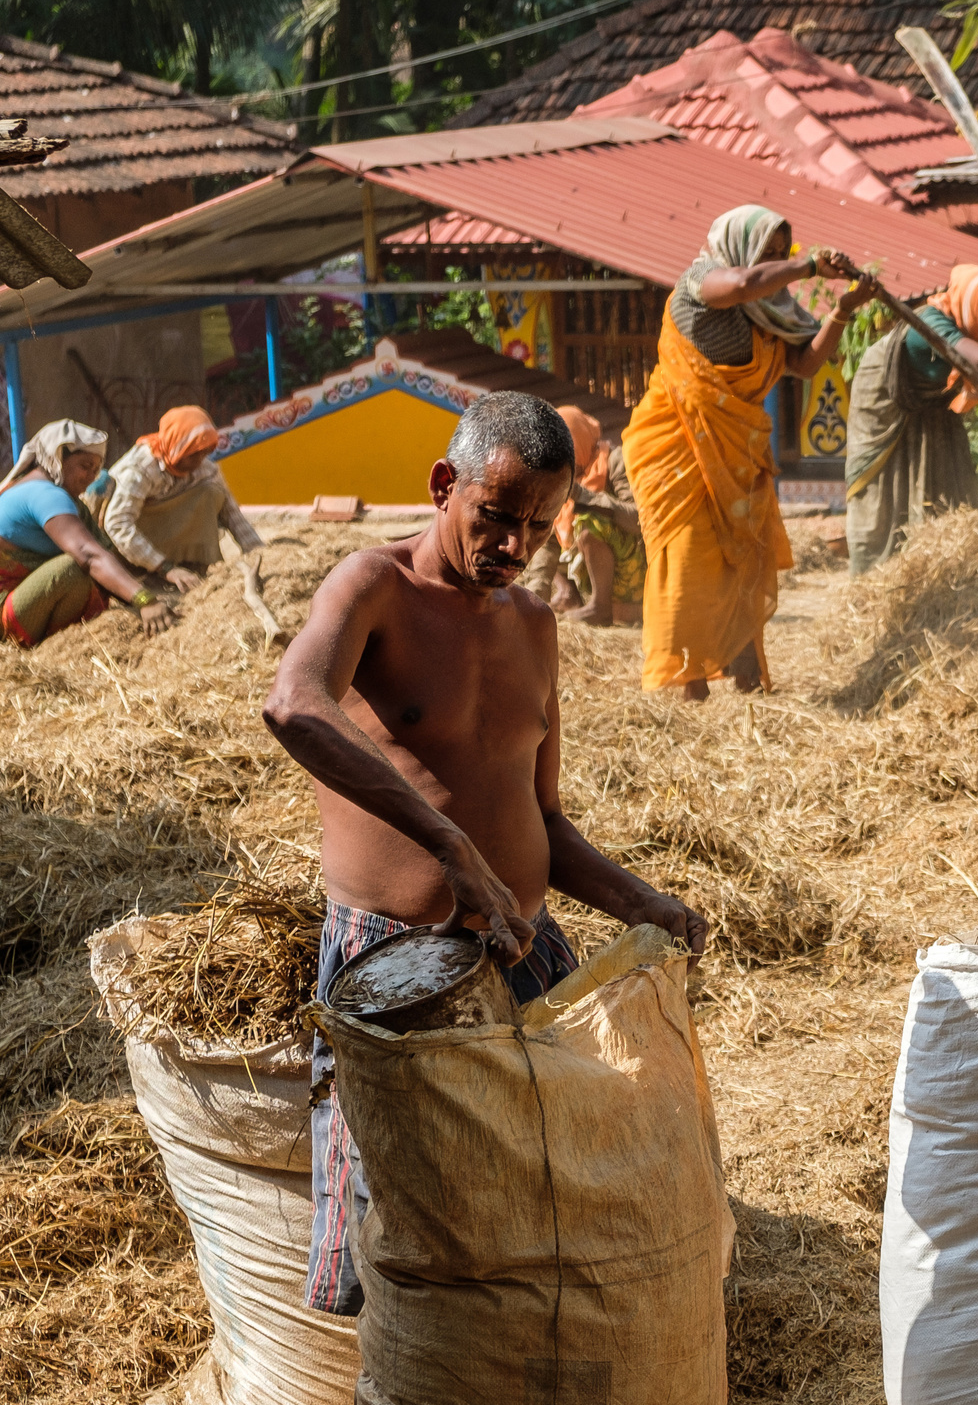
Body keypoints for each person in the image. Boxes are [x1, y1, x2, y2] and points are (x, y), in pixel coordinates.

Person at [259, 390, 710, 1315]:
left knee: (572, 1174)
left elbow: (545, 818)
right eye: (494, 517)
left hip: (524, 944)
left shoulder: (534, 626)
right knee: (382, 1236)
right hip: (394, 958)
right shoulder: (373, 587)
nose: (513, 545)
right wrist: (450, 847)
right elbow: (294, 703)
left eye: (538, 527)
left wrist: (638, 901)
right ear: (443, 486)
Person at [622, 205, 871, 697]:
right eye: (766, 254)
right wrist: (808, 266)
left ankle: (746, 672)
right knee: (689, 555)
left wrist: (843, 309)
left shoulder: (775, 310)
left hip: (737, 452)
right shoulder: (700, 282)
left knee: (741, 558)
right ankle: (687, 685)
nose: (774, 264)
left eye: (782, 253)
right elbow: (736, 287)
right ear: (739, 250)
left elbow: (804, 363)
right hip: (676, 447)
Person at [844, 262, 978, 577]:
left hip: (935, 405)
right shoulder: (929, 323)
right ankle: (872, 577)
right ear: (965, 306)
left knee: (947, 482)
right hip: (885, 402)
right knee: (882, 498)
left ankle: (943, 572)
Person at [0, 418, 176, 646]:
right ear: (58, 459)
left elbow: (107, 556)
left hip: (19, 604)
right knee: (72, 570)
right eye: (84, 466)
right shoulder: (44, 495)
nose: (90, 477)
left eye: (96, 469)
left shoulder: (69, 502)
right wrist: (145, 600)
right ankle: (50, 647)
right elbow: (89, 555)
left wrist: (148, 589)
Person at [95, 404, 263, 590]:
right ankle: (145, 572)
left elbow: (232, 513)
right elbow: (117, 523)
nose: (199, 461)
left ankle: (195, 564)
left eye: (204, 453)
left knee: (212, 492)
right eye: (193, 455)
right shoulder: (140, 469)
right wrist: (165, 568)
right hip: (125, 547)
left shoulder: (204, 468)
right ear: (177, 446)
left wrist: (258, 552)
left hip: (163, 534)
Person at [549, 403, 646, 627]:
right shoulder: (567, 474)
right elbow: (547, 543)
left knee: (587, 521)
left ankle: (599, 607)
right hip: (590, 572)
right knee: (544, 520)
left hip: (632, 569)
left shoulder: (615, 460)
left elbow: (639, 519)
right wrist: (535, 592)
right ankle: (569, 594)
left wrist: (584, 496)